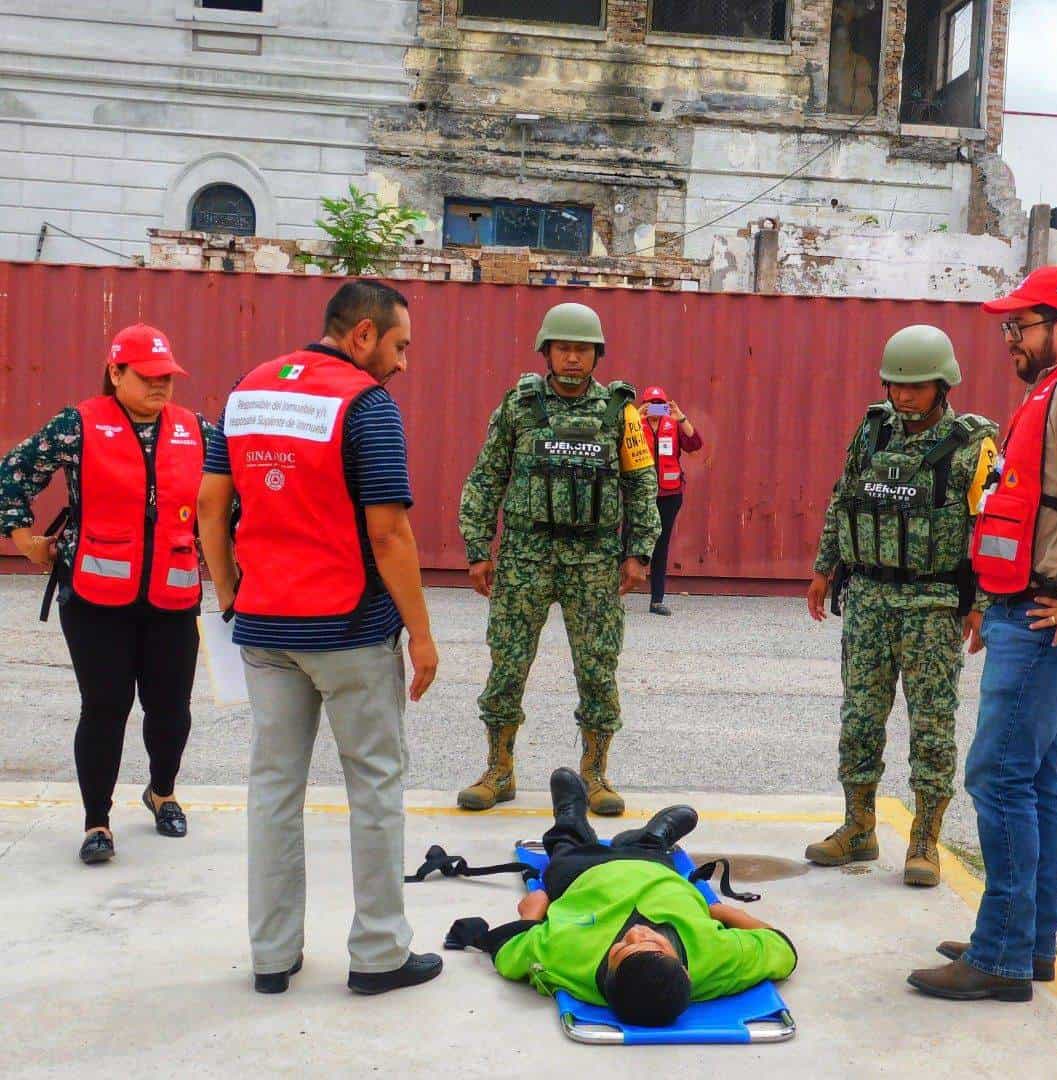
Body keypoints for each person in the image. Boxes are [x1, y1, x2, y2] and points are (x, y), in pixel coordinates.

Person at [197, 281, 442, 996]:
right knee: (374, 786)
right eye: (399, 346)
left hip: (264, 626)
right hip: (349, 631)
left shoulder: (246, 392)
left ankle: (272, 956)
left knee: (273, 787)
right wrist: (422, 637)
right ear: (362, 335)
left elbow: (211, 503)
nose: (402, 363)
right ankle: (378, 954)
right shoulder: (366, 407)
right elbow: (389, 532)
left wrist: (228, 591)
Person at [908, 266, 1057, 1002]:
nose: (1010, 338)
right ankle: (1027, 941)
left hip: (1053, 615)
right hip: (1025, 608)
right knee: (1032, 779)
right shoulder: (1054, 389)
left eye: (1021, 326)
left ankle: (1002, 954)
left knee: (997, 775)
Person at [1, 325, 209, 865]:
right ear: (116, 372)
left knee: (170, 709)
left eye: (168, 376)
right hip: (95, 600)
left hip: (172, 596)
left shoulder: (196, 430)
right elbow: (13, 474)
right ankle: (97, 822)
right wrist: (25, 538)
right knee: (106, 707)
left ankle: (161, 791)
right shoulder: (78, 425)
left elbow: (233, 493)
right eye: (148, 376)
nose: (162, 386)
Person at [804, 325, 998, 888]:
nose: (904, 396)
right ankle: (858, 825)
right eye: (897, 385)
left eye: (916, 386)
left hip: (933, 602)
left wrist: (982, 603)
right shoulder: (871, 433)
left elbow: (993, 525)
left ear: (943, 385)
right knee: (860, 718)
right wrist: (824, 568)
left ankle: (924, 841)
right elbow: (843, 498)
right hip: (867, 598)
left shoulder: (972, 445)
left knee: (932, 725)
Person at [457, 302, 661, 817]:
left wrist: (639, 552)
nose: (573, 357)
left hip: (593, 560)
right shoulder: (518, 407)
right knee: (507, 663)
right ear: (546, 352)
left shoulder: (622, 413)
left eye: (583, 349)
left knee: (597, 669)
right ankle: (498, 770)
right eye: (564, 348)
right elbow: (486, 477)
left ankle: (595, 774)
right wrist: (479, 549)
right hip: (525, 555)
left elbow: (641, 484)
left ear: (597, 355)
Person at [457, 767, 797, 1027]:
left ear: (607, 976)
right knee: (650, 850)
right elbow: (781, 947)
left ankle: (570, 816)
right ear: (687, 974)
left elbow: (508, 954)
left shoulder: (567, 959)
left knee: (565, 848)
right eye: (654, 944)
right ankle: (653, 837)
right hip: (654, 871)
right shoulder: (718, 962)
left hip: (583, 875)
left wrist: (530, 915)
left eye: (621, 949)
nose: (637, 934)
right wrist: (721, 910)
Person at [638, 384, 702, 616]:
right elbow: (615, 440)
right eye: (651, 404)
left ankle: (656, 600)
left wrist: (680, 416)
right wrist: (635, 417)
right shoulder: (635, 426)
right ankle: (614, 593)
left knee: (661, 544)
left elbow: (696, 445)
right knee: (628, 541)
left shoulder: (673, 425)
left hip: (670, 494)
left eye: (660, 404)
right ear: (644, 405)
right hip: (640, 495)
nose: (656, 409)